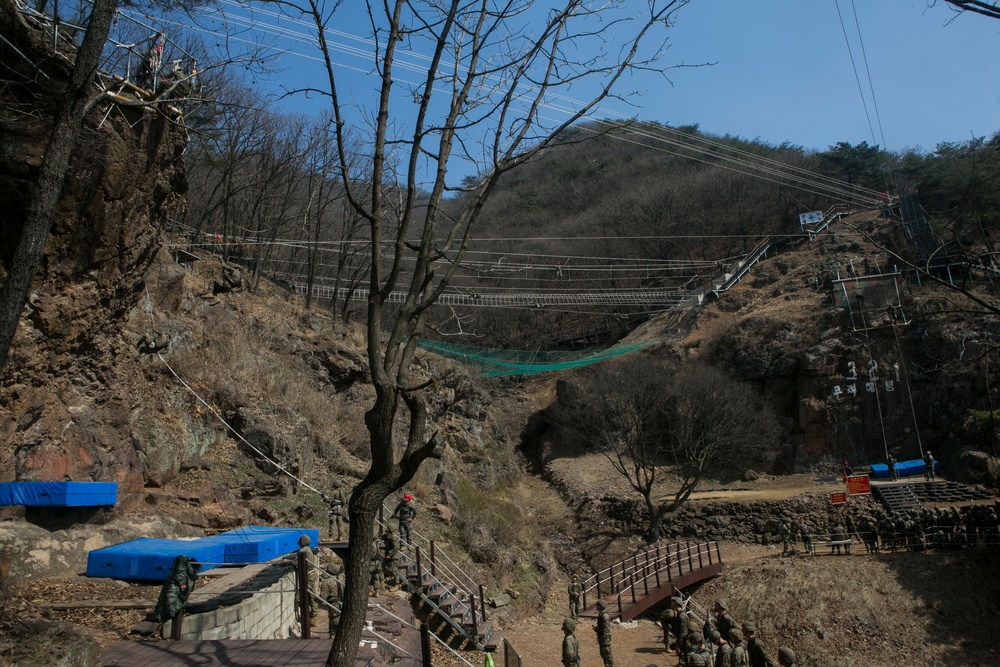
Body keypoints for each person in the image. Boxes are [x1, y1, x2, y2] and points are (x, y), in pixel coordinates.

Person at [596, 599, 614, 667]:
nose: (596, 606)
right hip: (602, 639)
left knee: (608, 657)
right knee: (604, 656)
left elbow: (606, 629)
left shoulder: (604, 616)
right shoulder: (600, 615)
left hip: (605, 640)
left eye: (598, 605)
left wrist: (605, 640)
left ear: (600, 606)